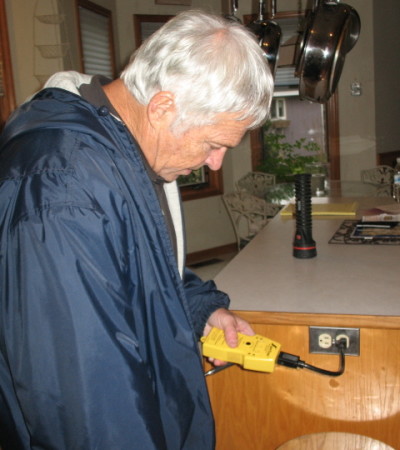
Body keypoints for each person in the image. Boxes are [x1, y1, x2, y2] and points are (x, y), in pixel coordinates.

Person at [0, 9, 273, 450]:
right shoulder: (63, 185)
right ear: (163, 107)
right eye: (213, 143)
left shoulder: (123, 149)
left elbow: (140, 270)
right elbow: (85, 398)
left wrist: (202, 310)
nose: (216, 162)